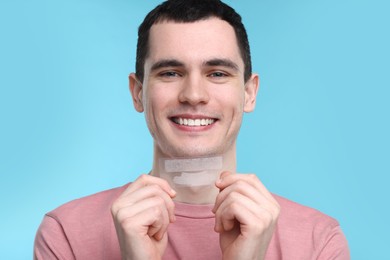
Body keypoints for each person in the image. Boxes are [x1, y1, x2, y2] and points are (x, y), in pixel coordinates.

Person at [34, 0, 350, 259]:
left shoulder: (318, 243)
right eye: (171, 72)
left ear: (249, 93)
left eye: (217, 73)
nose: (194, 94)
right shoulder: (67, 235)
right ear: (137, 92)